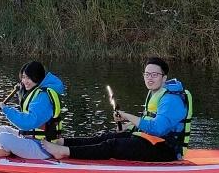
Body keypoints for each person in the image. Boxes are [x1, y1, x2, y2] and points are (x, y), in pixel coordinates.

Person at [40, 57, 192, 162]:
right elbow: (150, 121)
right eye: (146, 74)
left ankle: (64, 152)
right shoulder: (157, 92)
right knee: (105, 137)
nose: (149, 78)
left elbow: (158, 128)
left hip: (165, 150)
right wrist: (129, 126)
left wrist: (126, 116)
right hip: (152, 141)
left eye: (154, 75)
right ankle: (62, 142)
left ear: (164, 78)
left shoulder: (171, 99)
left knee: (112, 145)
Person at [0, 61, 66, 160]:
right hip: (31, 140)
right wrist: (22, 91)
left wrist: (7, 110)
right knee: (1, 130)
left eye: (29, 78)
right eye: (24, 77)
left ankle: (6, 152)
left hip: (42, 148)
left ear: (37, 77)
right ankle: (7, 151)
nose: (25, 81)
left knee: (3, 137)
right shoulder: (36, 90)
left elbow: (28, 123)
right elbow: (28, 105)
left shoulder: (43, 97)